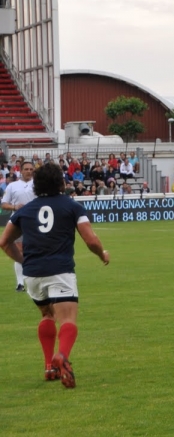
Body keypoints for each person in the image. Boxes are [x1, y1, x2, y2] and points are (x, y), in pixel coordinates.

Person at [0, 161, 110, 388]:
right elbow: (90, 240)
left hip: (33, 275)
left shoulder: (24, 211)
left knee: (47, 316)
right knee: (68, 319)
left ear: (36, 185)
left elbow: (4, 242)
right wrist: (102, 254)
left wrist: (24, 261)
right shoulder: (72, 206)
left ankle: (49, 365)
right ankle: (62, 356)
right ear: (61, 182)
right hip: (60, 271)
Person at [2, 159, 36, 291]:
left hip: (35, 222)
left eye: (31, 169)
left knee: (34, 250)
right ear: (21, 171)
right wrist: (15, 207)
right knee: (19, 250)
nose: (28, 171)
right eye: (26, 169)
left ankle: (33, 278)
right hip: (17, 222)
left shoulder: (39, 185)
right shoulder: (12, 186)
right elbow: (4, 204)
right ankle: (20, 283)